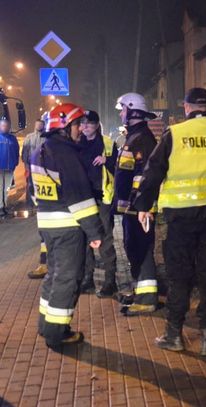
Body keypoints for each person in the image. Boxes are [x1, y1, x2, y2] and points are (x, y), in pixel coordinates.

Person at [133, 88, 206, 356]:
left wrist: (144, 205)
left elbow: (153, 171)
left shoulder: (174, 134)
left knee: (179, 277)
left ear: (187, 107)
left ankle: (174, 335)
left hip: (181, 218)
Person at [30, 103, 103, 349]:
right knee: (67, 280)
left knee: (54, 275)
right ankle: (57, 334)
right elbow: (79, 196)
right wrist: (94, 232)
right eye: (76, 124)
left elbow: (34, 192)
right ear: (63, 127)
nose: (81, 129)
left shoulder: (39, 151)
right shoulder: (66, 154)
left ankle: (46, 325)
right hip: (69, 228)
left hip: (48, 227)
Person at [114, 92, 158, 316]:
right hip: (132, 208)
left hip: (139, 209)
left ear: (132, 111)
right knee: (134, 248)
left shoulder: (143, 139)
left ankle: (148, 299)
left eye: (123, 110)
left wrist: (144, 207)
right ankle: (140, 291)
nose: (121, 114)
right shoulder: (134, 137)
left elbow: (146, 177)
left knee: (142, 249)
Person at [77, 110, 119, 297]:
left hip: (102, 198)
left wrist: (107, 160)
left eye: (89, 123)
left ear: (97, 125)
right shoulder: (75, 144)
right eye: (82, 123)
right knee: (85, 240)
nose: (85, 126)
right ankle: (88, 278)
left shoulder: (108, 143)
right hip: (83, 199)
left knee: (105, 240)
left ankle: (110, 281)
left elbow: (120, 166)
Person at [23, 119, 48, 280]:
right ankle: (45, 264)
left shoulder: (48, 142)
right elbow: (25, 154)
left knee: (46, 236)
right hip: (46, 205)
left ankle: (47, 265)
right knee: (44, 236)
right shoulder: (29, 138)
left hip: (52, 210)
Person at [0, 119, 19, 218]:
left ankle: (4, 206)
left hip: (9, 168)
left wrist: (15, 162)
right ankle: (0, 207)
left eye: (6, 126)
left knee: (6, 188)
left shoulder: (12, 139)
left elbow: (16, 151)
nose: (5, 127)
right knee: (0, 188)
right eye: (3, 126)